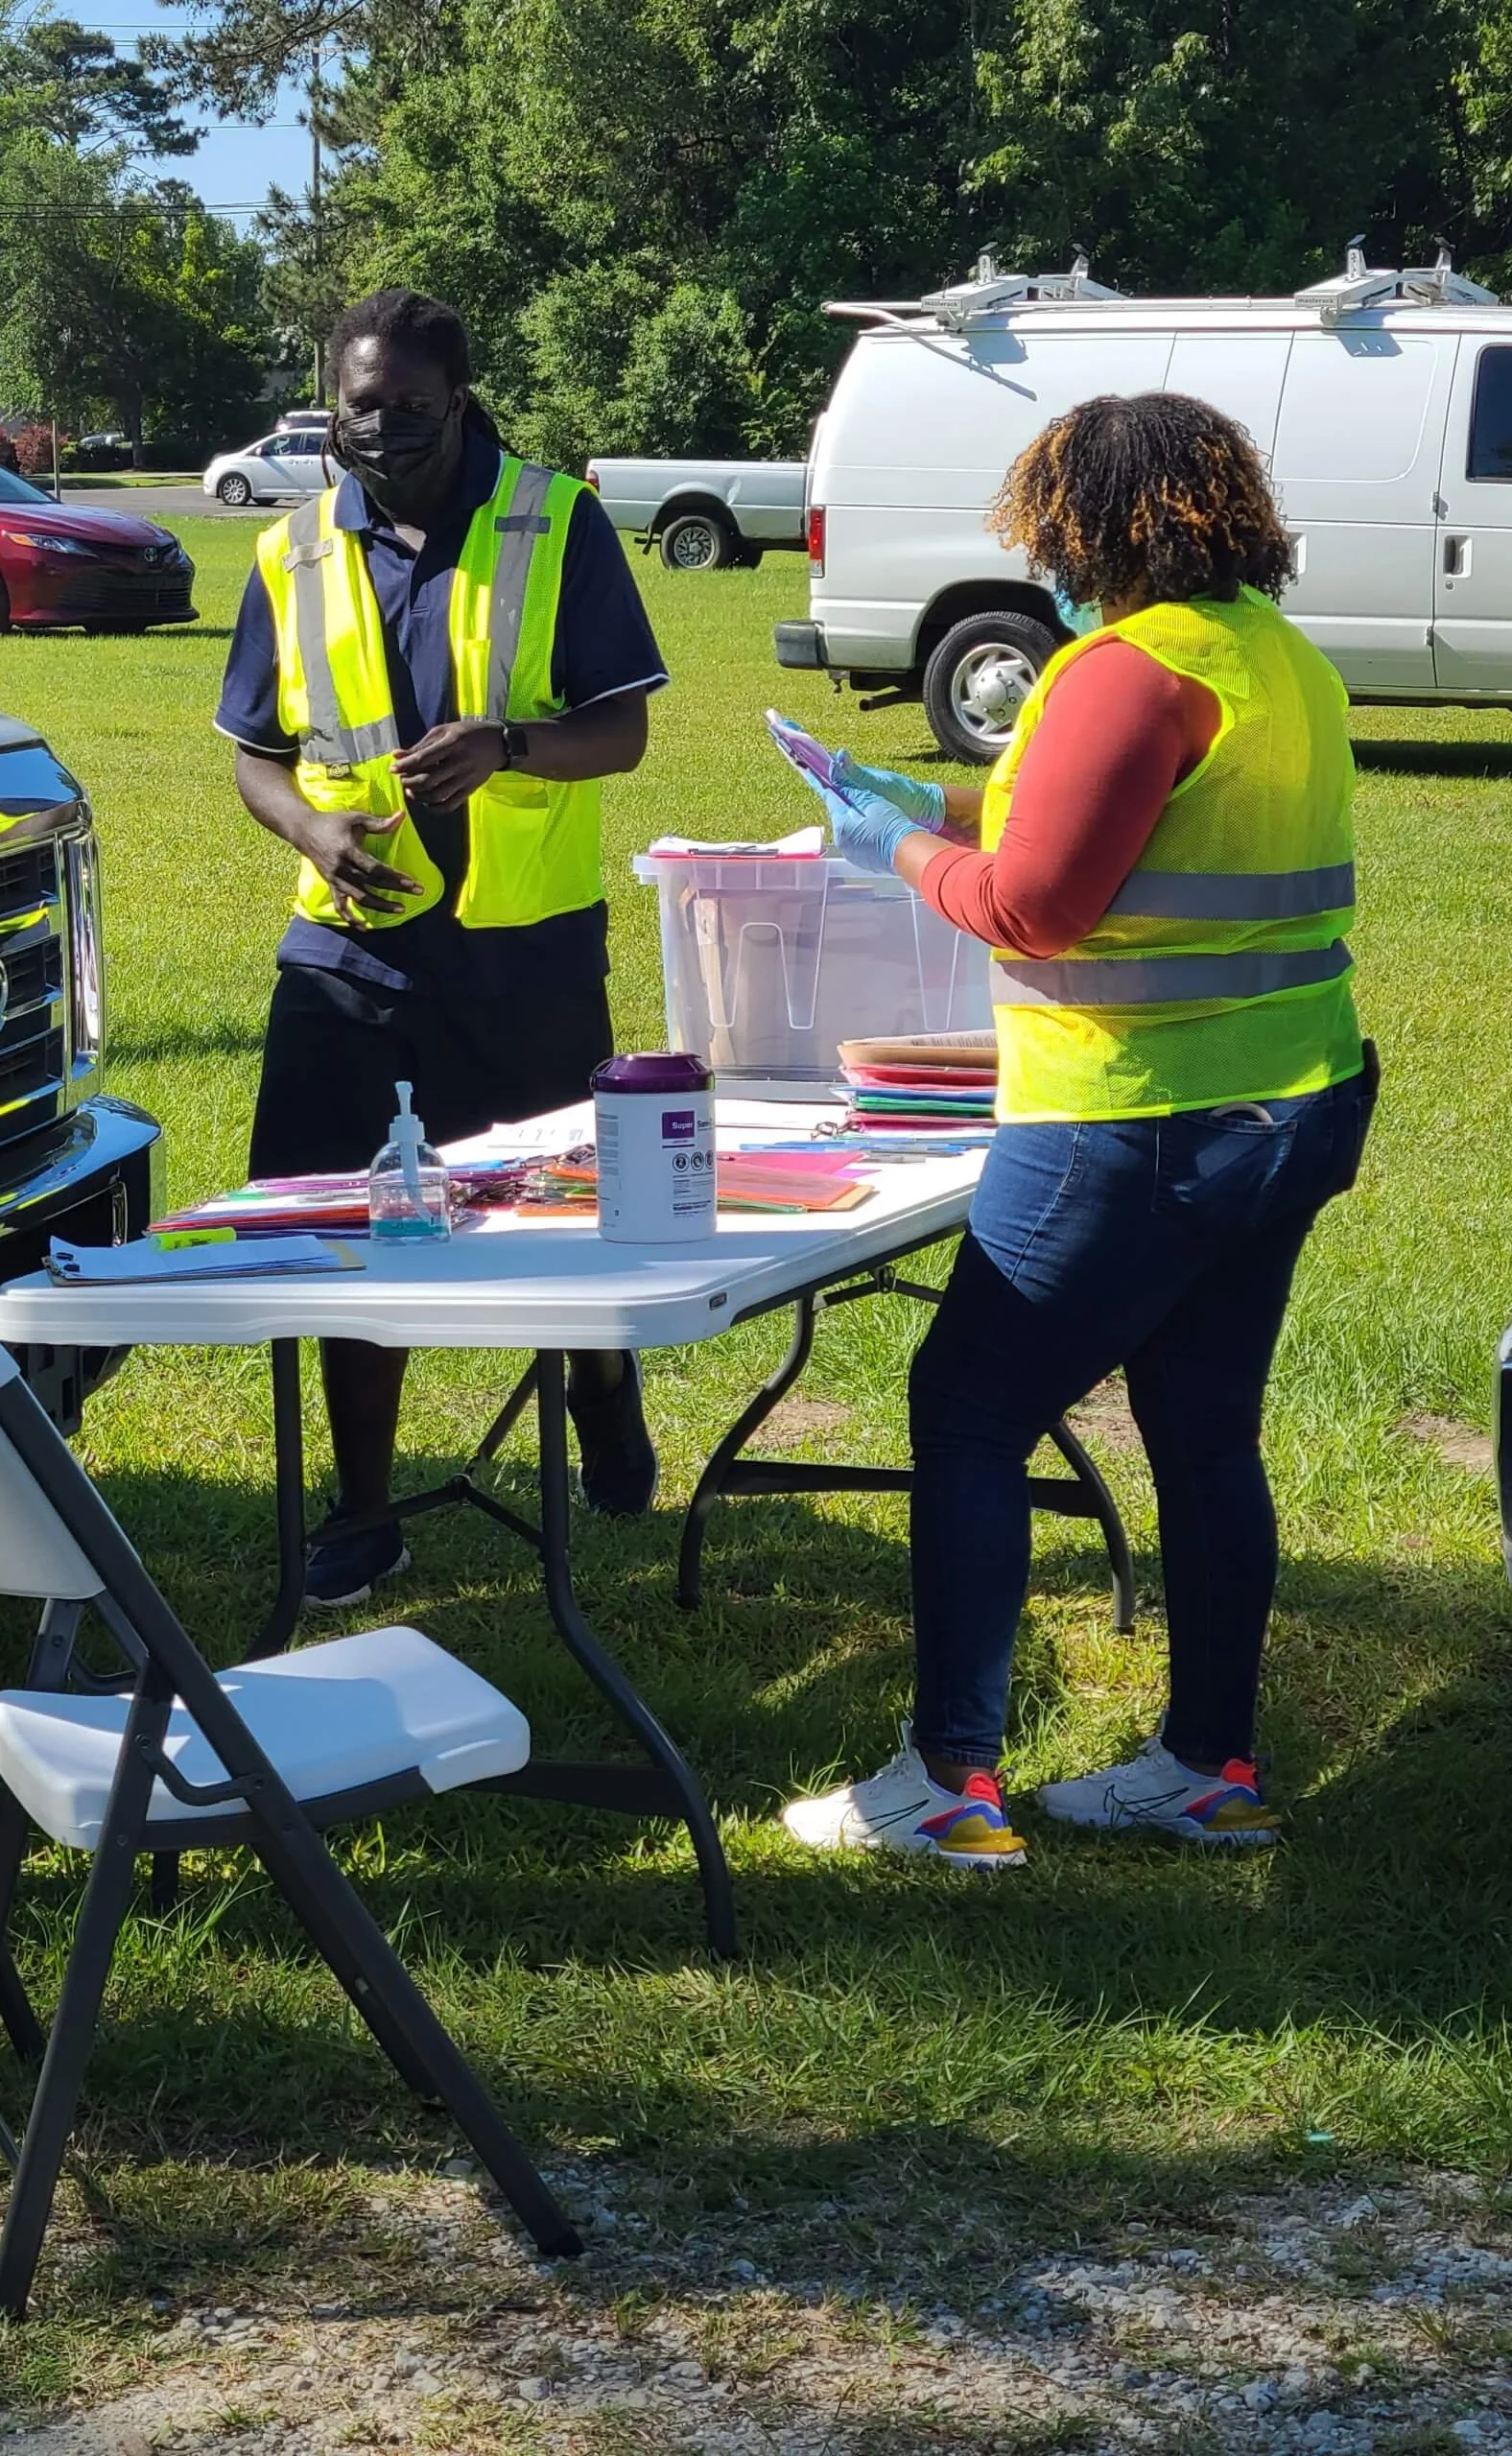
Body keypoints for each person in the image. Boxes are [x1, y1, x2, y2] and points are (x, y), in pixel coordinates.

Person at [780, 391, 1375, 1864]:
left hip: (1138, 1118)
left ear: (1086, 523)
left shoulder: (1121, 668)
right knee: (1203, 1430)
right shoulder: (1271, 657)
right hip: (1286, 1103)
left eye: (1043, 523)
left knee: (971, 1409)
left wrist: (892, 847)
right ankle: (1207, 1763)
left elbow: (1037, 902)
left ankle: (948, 1783)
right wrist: (932, 797)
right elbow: (1106, 823)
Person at [217, 287, 669, 1605]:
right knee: (334, 1227)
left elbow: (623, 730)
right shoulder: (292, 551)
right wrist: (308, 829)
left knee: (561, 1221)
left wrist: (508, 744)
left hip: (521, 956)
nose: (382, 428)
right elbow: (254, 751)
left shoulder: (555, 522)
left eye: (409, 407)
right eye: (360, 406)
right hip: (348, 956)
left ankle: (600, 1380)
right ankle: (363, 1506)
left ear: (460, 399)